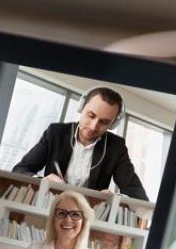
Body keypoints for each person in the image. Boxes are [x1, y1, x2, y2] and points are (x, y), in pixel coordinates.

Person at [12, 86, 150, 201]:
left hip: (87, 216)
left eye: (104, 122)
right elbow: (20, 170)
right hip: (49, 204)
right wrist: (43, 180)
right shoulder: (55, 133)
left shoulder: (116, 147)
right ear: (81, 108)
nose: (94, 126)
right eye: (91, 115)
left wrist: (114, 198)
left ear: (113, 124)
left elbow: (138, 196)